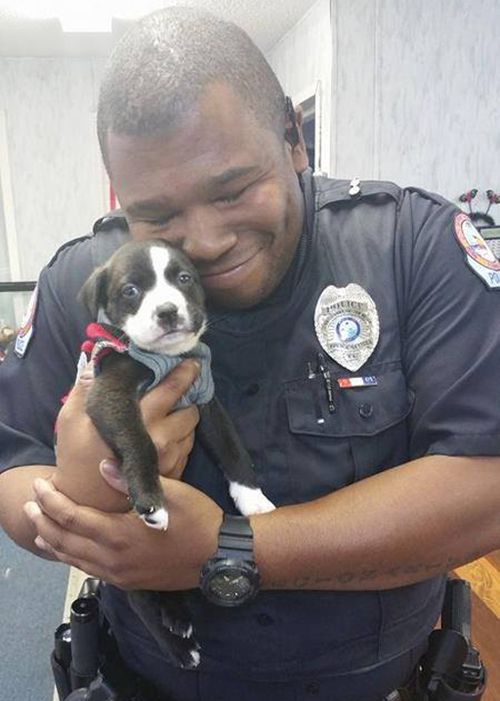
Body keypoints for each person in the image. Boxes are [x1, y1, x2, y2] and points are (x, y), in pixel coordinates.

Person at [1, 7, 500, 701]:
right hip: (144, 680)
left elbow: (485, 489)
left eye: (233, 189)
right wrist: (84, 489)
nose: (202, 241)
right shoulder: (86, 281)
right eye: (159, 214)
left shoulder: (415, 249)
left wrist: (227, 548)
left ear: (294, 137)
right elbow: (15, 469)